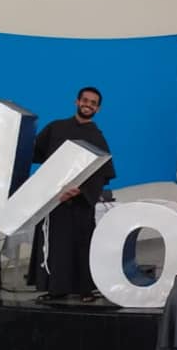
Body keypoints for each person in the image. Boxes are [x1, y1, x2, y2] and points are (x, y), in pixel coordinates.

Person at [28, 87, 116, 302]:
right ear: (77, 101)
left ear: (98, 109)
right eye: (85, 100)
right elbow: (35, 152)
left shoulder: (97, 138)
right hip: (54, 200)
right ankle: (55, 289)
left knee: (81, 245)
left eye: (93, 103)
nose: (88, 105)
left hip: (79, 204)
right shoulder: (56, 128)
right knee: (54, 245)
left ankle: (85, 290)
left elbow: (102, 173)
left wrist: (80, 191)